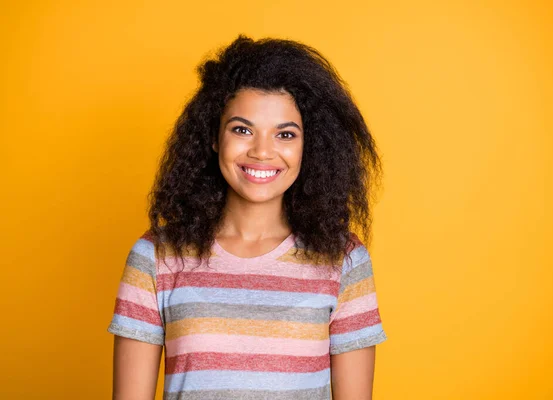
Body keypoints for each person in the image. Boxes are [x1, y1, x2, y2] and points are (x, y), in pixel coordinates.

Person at [107, 34, 387, 400]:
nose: (261, 151)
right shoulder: (156, 258)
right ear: (213, 137)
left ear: (309, 147)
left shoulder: (344, 259)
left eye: (285, 134)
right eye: (242, 129)